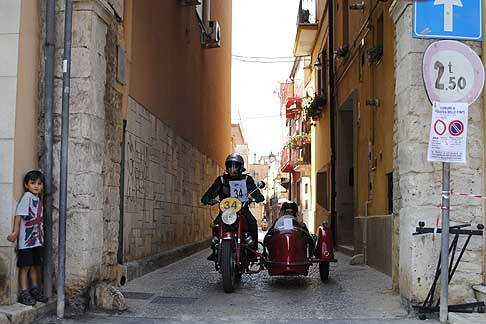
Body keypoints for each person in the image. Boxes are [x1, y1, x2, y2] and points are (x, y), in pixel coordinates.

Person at [201, 153, 265, 260]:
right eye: (230, 166)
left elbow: (254, 191)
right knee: (216, 224)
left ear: (240, 167)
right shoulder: (221, 180)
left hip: (242, 210)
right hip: (226, 212)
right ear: (227, 167)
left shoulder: (246, 179)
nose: (232, 169)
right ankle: (215, 249)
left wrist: (258, 196)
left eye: (235, 166)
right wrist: (207, 198)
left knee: (252, 222)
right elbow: (212, 191)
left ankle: (252, 252)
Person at [7, 170, 48, 305]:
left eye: (39, 183)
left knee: (35, 265)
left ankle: (34, 290)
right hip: (26, 241)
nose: (36, 186)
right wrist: (16, 232)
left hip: (37, 240)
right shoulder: (27, 197)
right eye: (32, 183)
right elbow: (19, 216)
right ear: (26, 185)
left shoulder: (37, 199)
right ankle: (24, 292)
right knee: (25, 266)